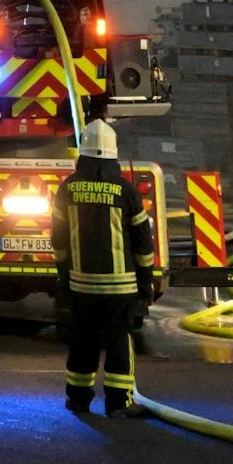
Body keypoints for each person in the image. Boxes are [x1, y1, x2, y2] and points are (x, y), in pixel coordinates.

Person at [51, 119, 154, 419]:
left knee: (83, 340)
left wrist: (64, 276)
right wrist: (145, 281)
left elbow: (57, 239)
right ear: (113, 154)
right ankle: (119, 403)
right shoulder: (126, 190)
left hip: (81, 285)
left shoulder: (67, 189)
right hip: (119, 287)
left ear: (82, 154)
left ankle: (78, 398)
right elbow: (142, 242)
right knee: (119, 339)